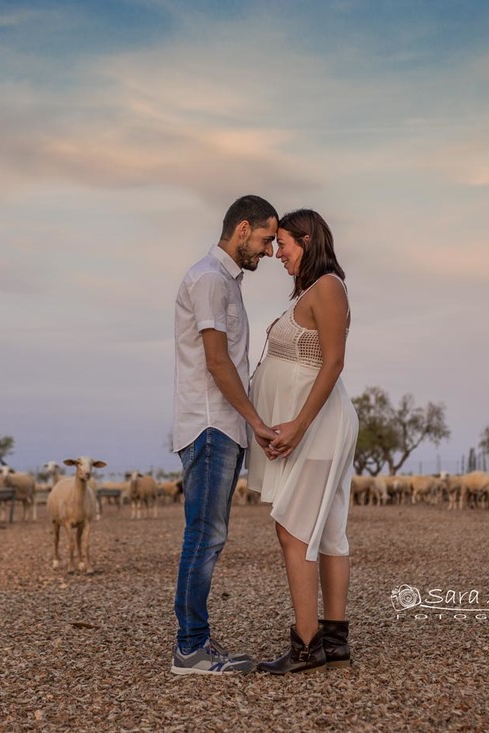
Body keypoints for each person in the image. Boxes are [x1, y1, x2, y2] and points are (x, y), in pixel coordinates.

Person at [170, 194, 280, 675]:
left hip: (223, 426)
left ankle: (196, 642)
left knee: (210, 535)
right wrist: (256, 423)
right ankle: (190, 648)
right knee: (205, 535)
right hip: (211, 423)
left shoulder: (226, 283)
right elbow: (216, 361)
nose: (270, 250)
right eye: (265, 238)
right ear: (241, 229)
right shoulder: (210, 279)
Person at [247, 208, 358, 674]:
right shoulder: (312, 292)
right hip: (311, 426)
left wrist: (297, 424)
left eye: (285, 244)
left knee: (293, 527)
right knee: (328, 530)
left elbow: (332, 363)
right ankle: (333, 640)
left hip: (318, 426)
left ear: (307, 240)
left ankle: (306, 645)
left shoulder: (328, 287)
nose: (278, 254)